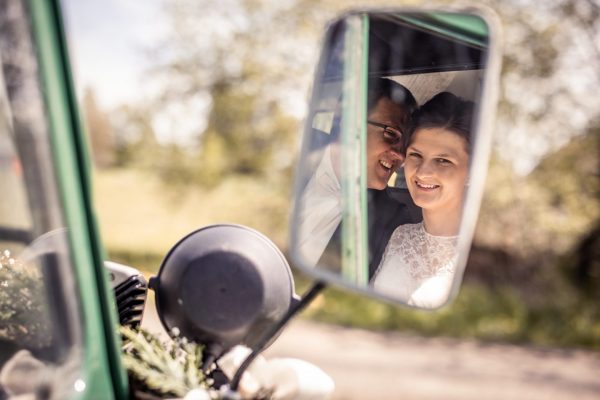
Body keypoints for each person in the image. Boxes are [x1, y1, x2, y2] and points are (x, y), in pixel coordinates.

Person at [296, 78, 419, 268]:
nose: (400, 155)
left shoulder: (394, 221)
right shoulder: (293, 149)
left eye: (406, 144)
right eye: (391, 134)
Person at [372, 92, 473, 308]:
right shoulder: (401, 236)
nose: (423, 172)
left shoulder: (476, 255)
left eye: (443, 160)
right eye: (416, 155)